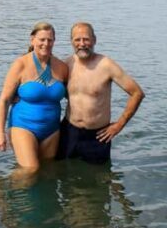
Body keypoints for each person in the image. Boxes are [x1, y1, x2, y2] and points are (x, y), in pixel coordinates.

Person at [57, 22, 144, 164]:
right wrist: (19, 96)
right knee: (64, 177)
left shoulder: (106, 65)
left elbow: (137, 93)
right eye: (77, 39)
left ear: (94, 40)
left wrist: (119, 125)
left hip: (98, 135)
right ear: (71, 41)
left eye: (86, 39)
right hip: (68, 132)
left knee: (98, 181)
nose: (82, 43)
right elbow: (45, 87)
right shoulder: (66, 65)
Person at [0, 22, 69, 170]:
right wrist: (0, 133)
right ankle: (4, 190)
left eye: (50, 40)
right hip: (23, 126)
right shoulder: (20, 64)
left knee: (47, 171)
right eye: (42, 39)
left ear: (54, 41)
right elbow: (4, 100)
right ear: (32, 39)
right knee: (30, 170)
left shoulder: (62, 67)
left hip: (52, 130)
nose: (46, 44)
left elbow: (73, 96)